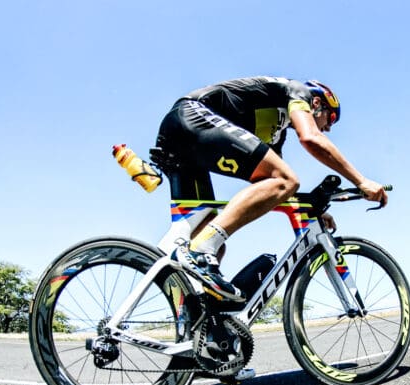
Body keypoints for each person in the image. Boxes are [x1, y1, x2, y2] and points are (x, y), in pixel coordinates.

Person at [153, 76, 388, 301]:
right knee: (285, 181)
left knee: (205, 236)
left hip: (177, 134)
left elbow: (273, 187)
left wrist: (309, 209)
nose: (328, 128)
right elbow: (311, 138)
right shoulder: (299, 91)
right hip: (192, 115)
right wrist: (360, 180)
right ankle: (200, 250)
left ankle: (193, 318)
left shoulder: (275, 131)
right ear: (317, 103)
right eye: (331, 118)